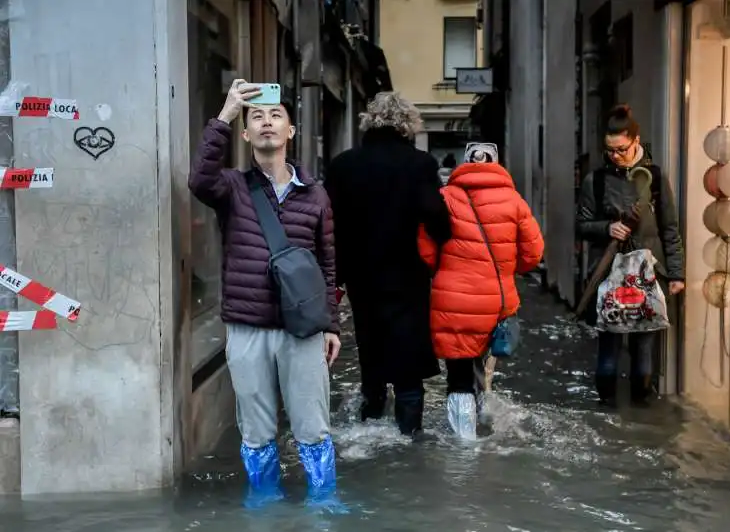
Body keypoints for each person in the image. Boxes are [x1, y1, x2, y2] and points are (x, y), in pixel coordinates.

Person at [188, 79, 345, 511]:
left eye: (276, 115)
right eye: (257, 117)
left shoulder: (315, 195)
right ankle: (264, 501)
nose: (267, 123)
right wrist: (226, 112)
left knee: (312, 425)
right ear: (246, 134)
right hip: (247, 327)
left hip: (304, 329)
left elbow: (329, 266)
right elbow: (198, 180)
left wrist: (331, 325)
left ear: (291, 131)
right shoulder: (232, 188)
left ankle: (323, 502)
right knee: (256, 429)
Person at [324, 92, 451, 438]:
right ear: (407, 126)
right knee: (408, 363)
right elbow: (438, 220)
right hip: (407, 276)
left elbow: (328, 225)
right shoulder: (420, 165)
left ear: (370, 122)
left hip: (361, 278)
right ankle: (409, 438)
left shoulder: (342, 165)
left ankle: (370, 426)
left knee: (371, 352)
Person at [418, 143, 544, 440]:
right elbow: (534, 254)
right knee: (483, 363)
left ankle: (464, 445)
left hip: (452, 301)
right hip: (496, 302)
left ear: (465, 162)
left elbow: (425, 252)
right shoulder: (514, 201)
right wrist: (505, 269)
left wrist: (445, 270)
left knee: (459, 372)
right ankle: (484, 421)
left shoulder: (445, 198)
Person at [576, 104, 685, 406]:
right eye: (609, 150)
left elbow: (670, 227)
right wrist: (607, 228)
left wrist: (676, 274)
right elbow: (582, 225)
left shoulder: (656, 178)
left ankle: (641, 411)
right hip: (610, 274)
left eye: (621, 149)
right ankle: (607, 413)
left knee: (643, 348)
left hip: (650, 274)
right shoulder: (595, 181)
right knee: (608, 347)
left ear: (636, 141)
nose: (615, 156)